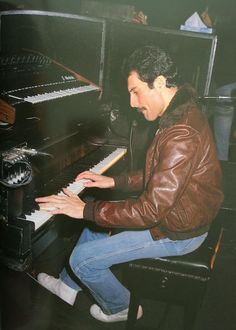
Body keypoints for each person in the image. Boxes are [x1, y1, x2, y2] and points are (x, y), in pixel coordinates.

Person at [35, 45, 224, 323]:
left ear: (159, 82)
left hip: (177, 232)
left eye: (135, 91)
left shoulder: (181, 134)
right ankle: (67, 286)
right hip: (177, 214)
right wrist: (113, 180)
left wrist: (83, 210)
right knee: (99, 217)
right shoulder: (180, 111)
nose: (132, 103)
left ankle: (121, 307)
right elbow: (158, 173)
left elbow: (150, 211)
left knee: (82, 258)